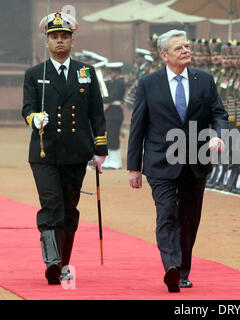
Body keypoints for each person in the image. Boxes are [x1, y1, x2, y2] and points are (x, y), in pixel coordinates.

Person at [127, 29, 229, 292]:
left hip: (196, 162)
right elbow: (138, 126)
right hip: (160, 163)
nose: (186, 50)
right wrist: (133, 167)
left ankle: (183, 270)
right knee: (167, 213)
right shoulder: (149, 84)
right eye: (179, 48)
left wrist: (218, 136)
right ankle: (170, 267)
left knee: (189, 217)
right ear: (164, 55)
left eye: (186, 46)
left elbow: (219, 114)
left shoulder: (204, 80)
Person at [22, 12, 108, 284]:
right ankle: (52, 261)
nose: (59, 41)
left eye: (64, 36)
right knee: (51, 205)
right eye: (54, 37)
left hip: (75, 152)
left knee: (69, 209)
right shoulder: (35, 74)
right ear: (46, 41)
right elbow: (26, 108)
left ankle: (63, 262)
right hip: (45, 152)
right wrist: (34, 119)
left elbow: (97, 112)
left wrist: (100, 148)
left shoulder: (86, 72)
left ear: (72, 41)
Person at [102, 62, 126, 169]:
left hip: (115, 111)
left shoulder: (120, 82)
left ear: (117, 72)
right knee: (108, 136)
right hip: (110, 111)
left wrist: (100, 98)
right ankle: (108, 160)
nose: (110, 74)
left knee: (114, 136)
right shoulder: (111, 82)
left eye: (112, 72)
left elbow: (112, 97)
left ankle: (116, 162)